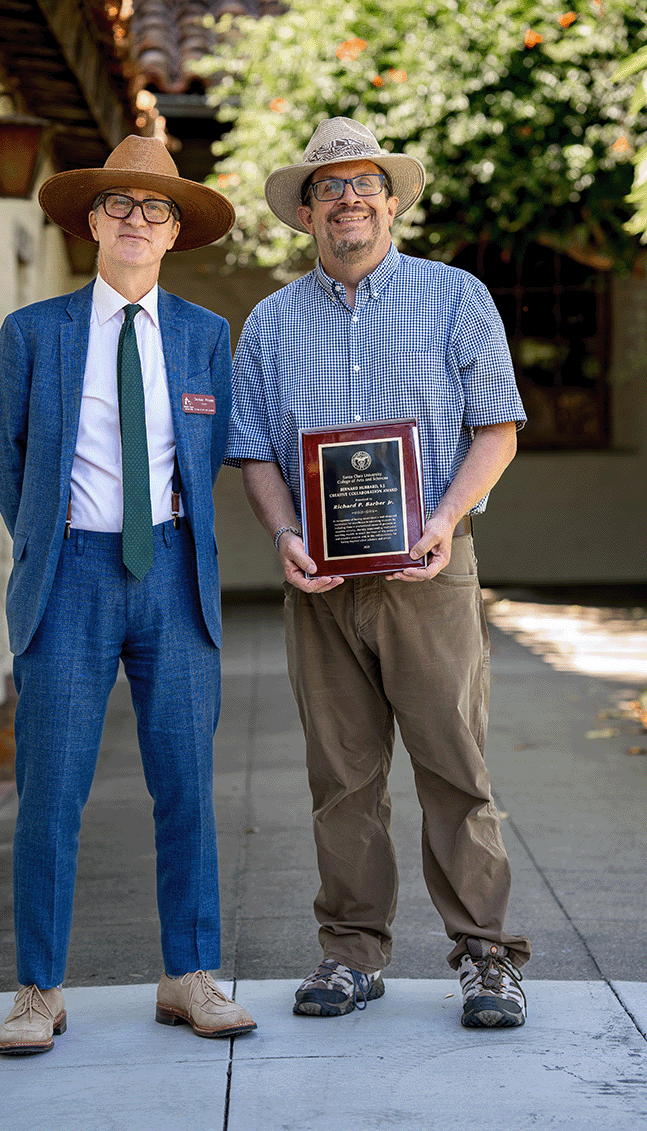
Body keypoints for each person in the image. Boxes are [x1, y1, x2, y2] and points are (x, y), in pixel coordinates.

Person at [226, 116, 531, 1029]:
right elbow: (253, 453)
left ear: (391, 201)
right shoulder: (273, 323)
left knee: (454, 765)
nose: (347, 199)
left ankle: (486, 956)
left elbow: (498, 428)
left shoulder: (456, 298)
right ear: (307, 211)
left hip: (428, 571)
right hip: (317, 583)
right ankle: (351, 954)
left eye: (364, 183)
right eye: (329, 187)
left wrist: (441, 520)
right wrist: (284, 535)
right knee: (341, 776)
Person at [0, 135, 256, 1054]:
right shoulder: (34, 333)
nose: (137, 220)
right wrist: (45, 547)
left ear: (175, 231)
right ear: (92, 221)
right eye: (121, 206)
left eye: (157, 208)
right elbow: (7, 459)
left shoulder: (203, 337)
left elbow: (209, 455)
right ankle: (38, 990)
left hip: (175, 574)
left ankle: (189, 976)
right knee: (51, 789)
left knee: (185, 785)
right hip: (70, 579)